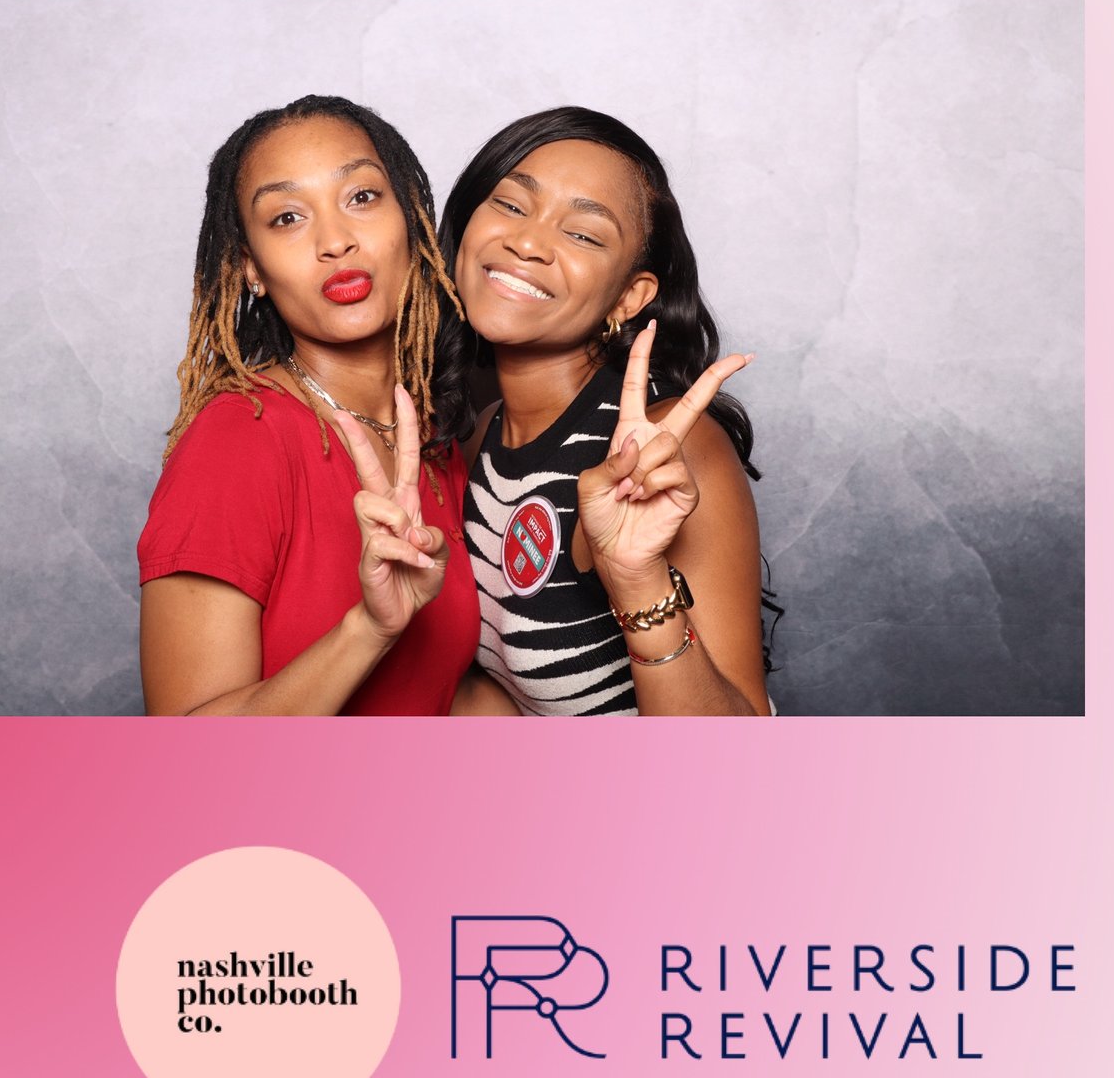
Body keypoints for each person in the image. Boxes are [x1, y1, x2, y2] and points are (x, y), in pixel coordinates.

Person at [136, 95, 478, 716]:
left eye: (362, 197)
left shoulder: (434, 430)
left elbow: (445, 695)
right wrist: (368, 629)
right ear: (251, 268)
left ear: (412, 221)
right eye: (288, 217)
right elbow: (184, 750)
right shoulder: (238, 438)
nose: (335, 241)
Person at [438, 106, 769, 716]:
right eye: (510, 204)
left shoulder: (669, 450)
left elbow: (734, 754)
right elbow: (501, 693)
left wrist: (638, 582)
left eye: (584, 235)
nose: (527, 242)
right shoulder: (483, 437)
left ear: (628, 297)